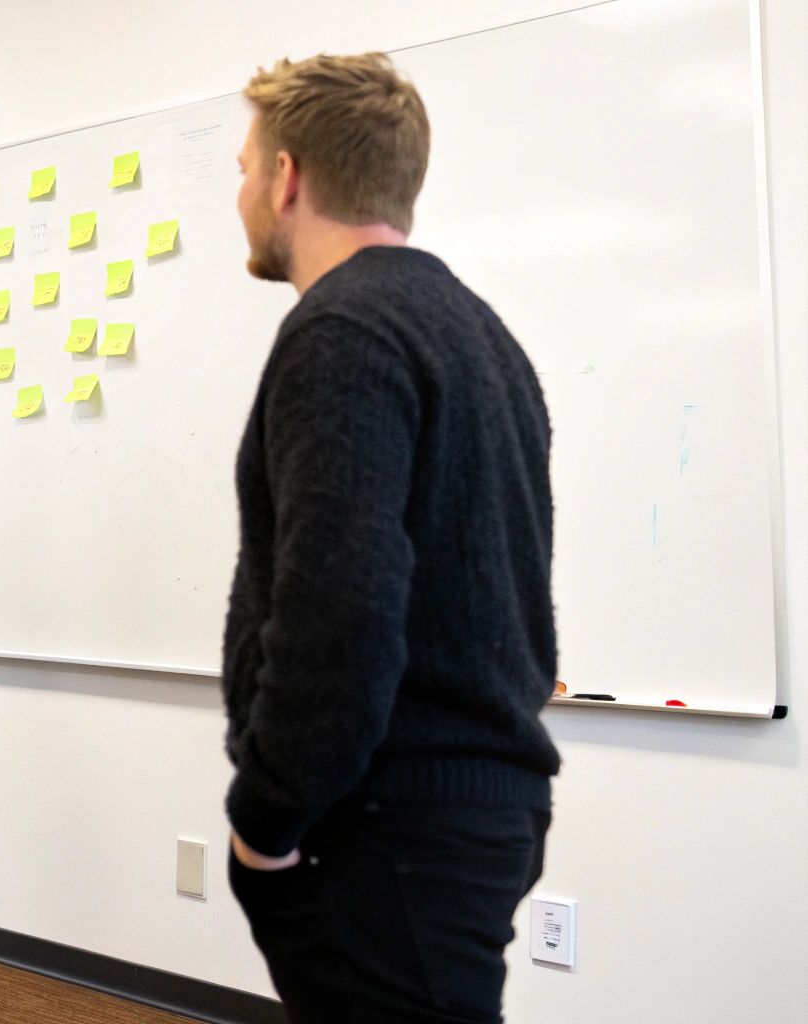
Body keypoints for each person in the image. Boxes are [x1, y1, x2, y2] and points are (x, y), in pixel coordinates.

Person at [222, 53, 562, 1023]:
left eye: (245, 167)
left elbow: (341, 605)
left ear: (285, 176)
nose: (241, 190)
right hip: (471, 809)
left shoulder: (341, 334)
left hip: (379, 825)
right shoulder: (479, 331)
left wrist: (264, 817)